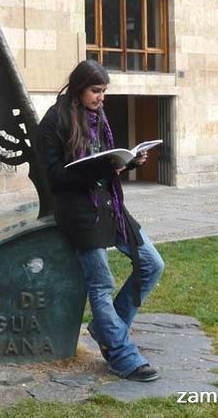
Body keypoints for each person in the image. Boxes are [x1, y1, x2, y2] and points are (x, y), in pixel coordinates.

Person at [36, 59, 165, 382]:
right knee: (101, 284)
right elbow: (52, 177)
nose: (101, 98)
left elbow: (108, 163)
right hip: (78, 210)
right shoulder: (54, 120)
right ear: (79, 88)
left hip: (111, 205)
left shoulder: (99, 117)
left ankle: (107, 330)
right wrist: (101, 170)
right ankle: (122, 355)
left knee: (152, 264)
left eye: (104, 91)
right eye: (96, 91)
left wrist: (130, 163)